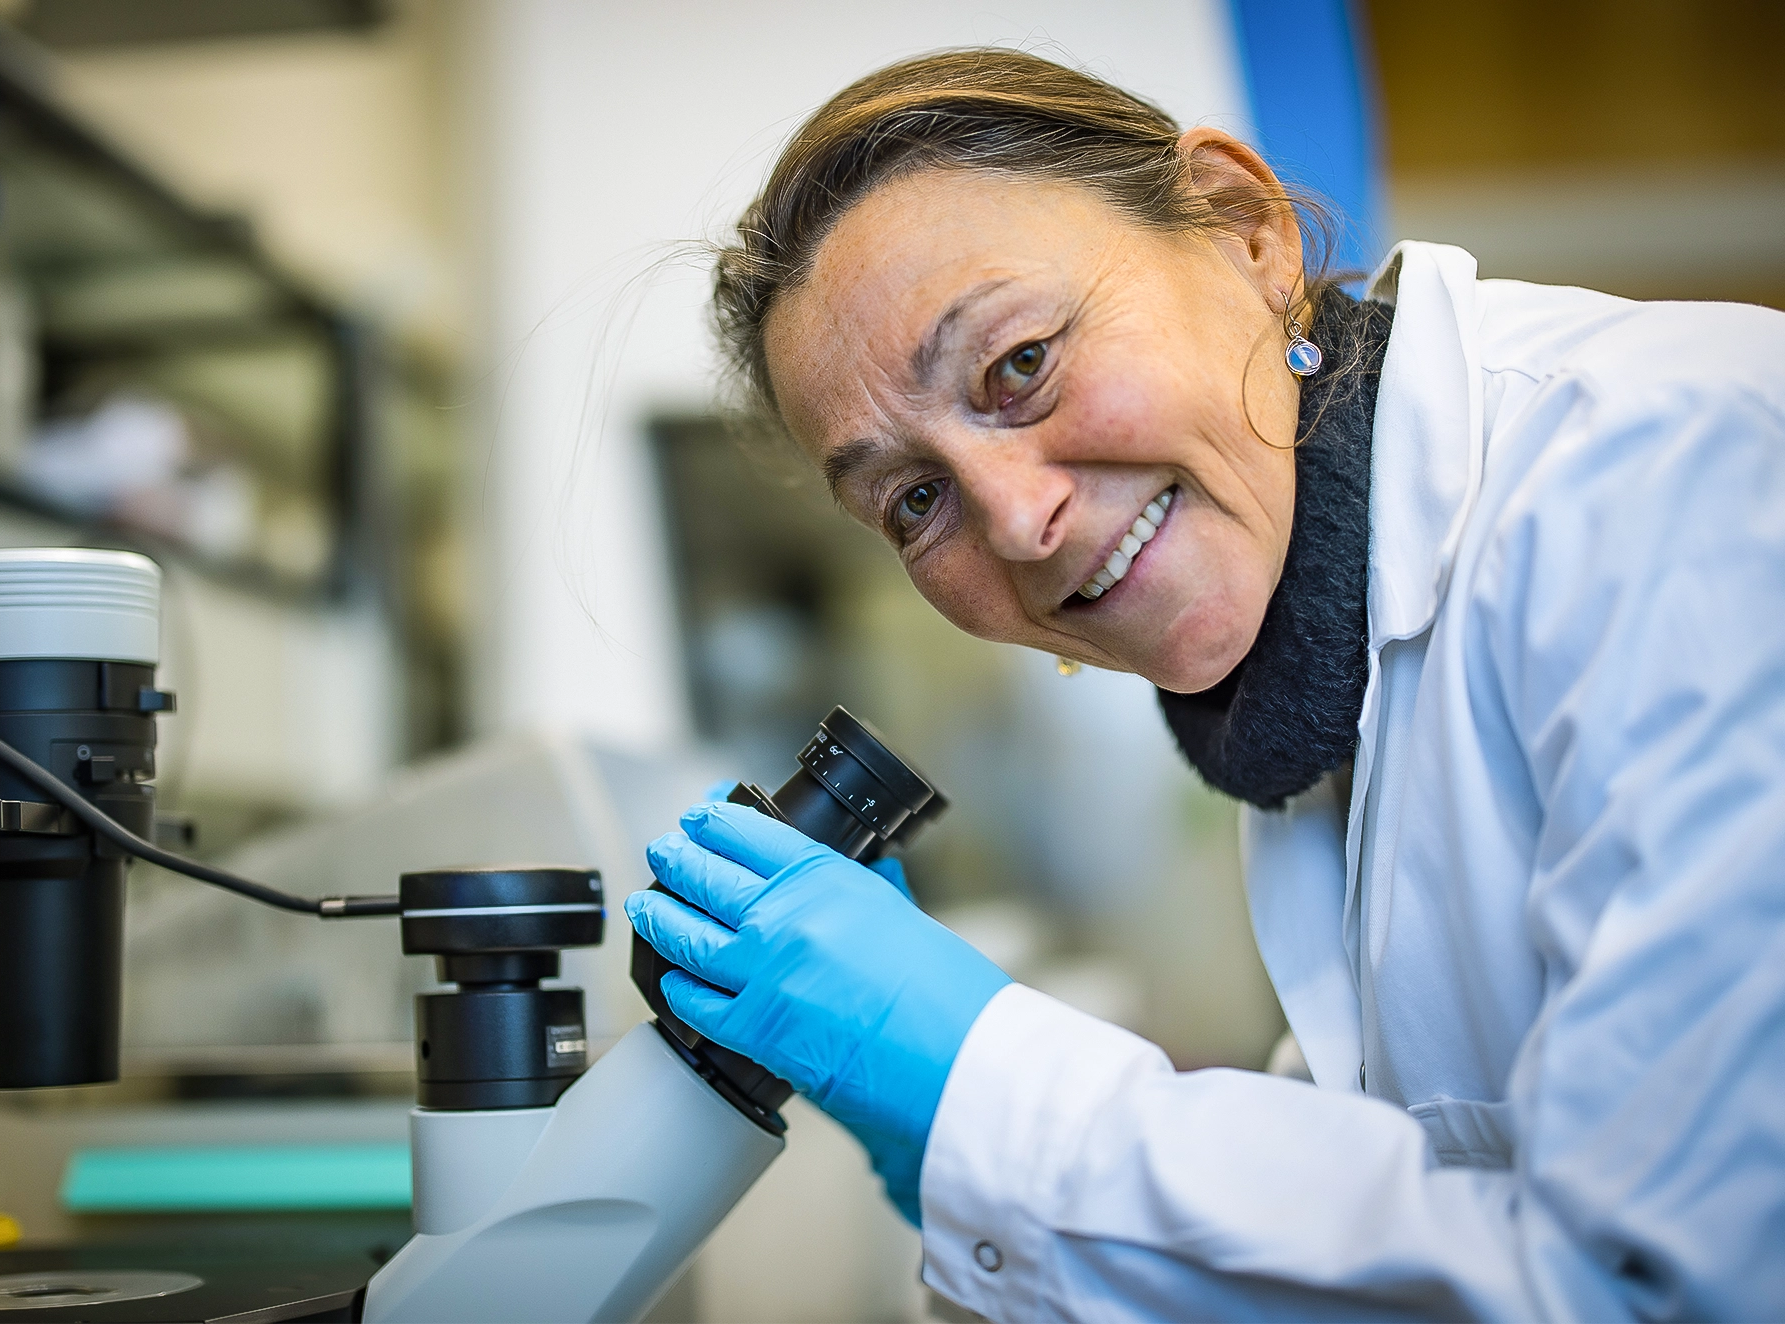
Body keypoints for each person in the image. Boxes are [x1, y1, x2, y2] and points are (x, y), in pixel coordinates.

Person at [624, 49, 1785, 1322]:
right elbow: (1378, 1211)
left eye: (1019, 363)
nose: (1017, 522)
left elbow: (1672, 1283)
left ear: (1245, 232)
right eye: (912, 499)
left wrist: (982, 1081)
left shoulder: (1678, 472)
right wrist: (952, 1154)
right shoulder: (1306, 680)